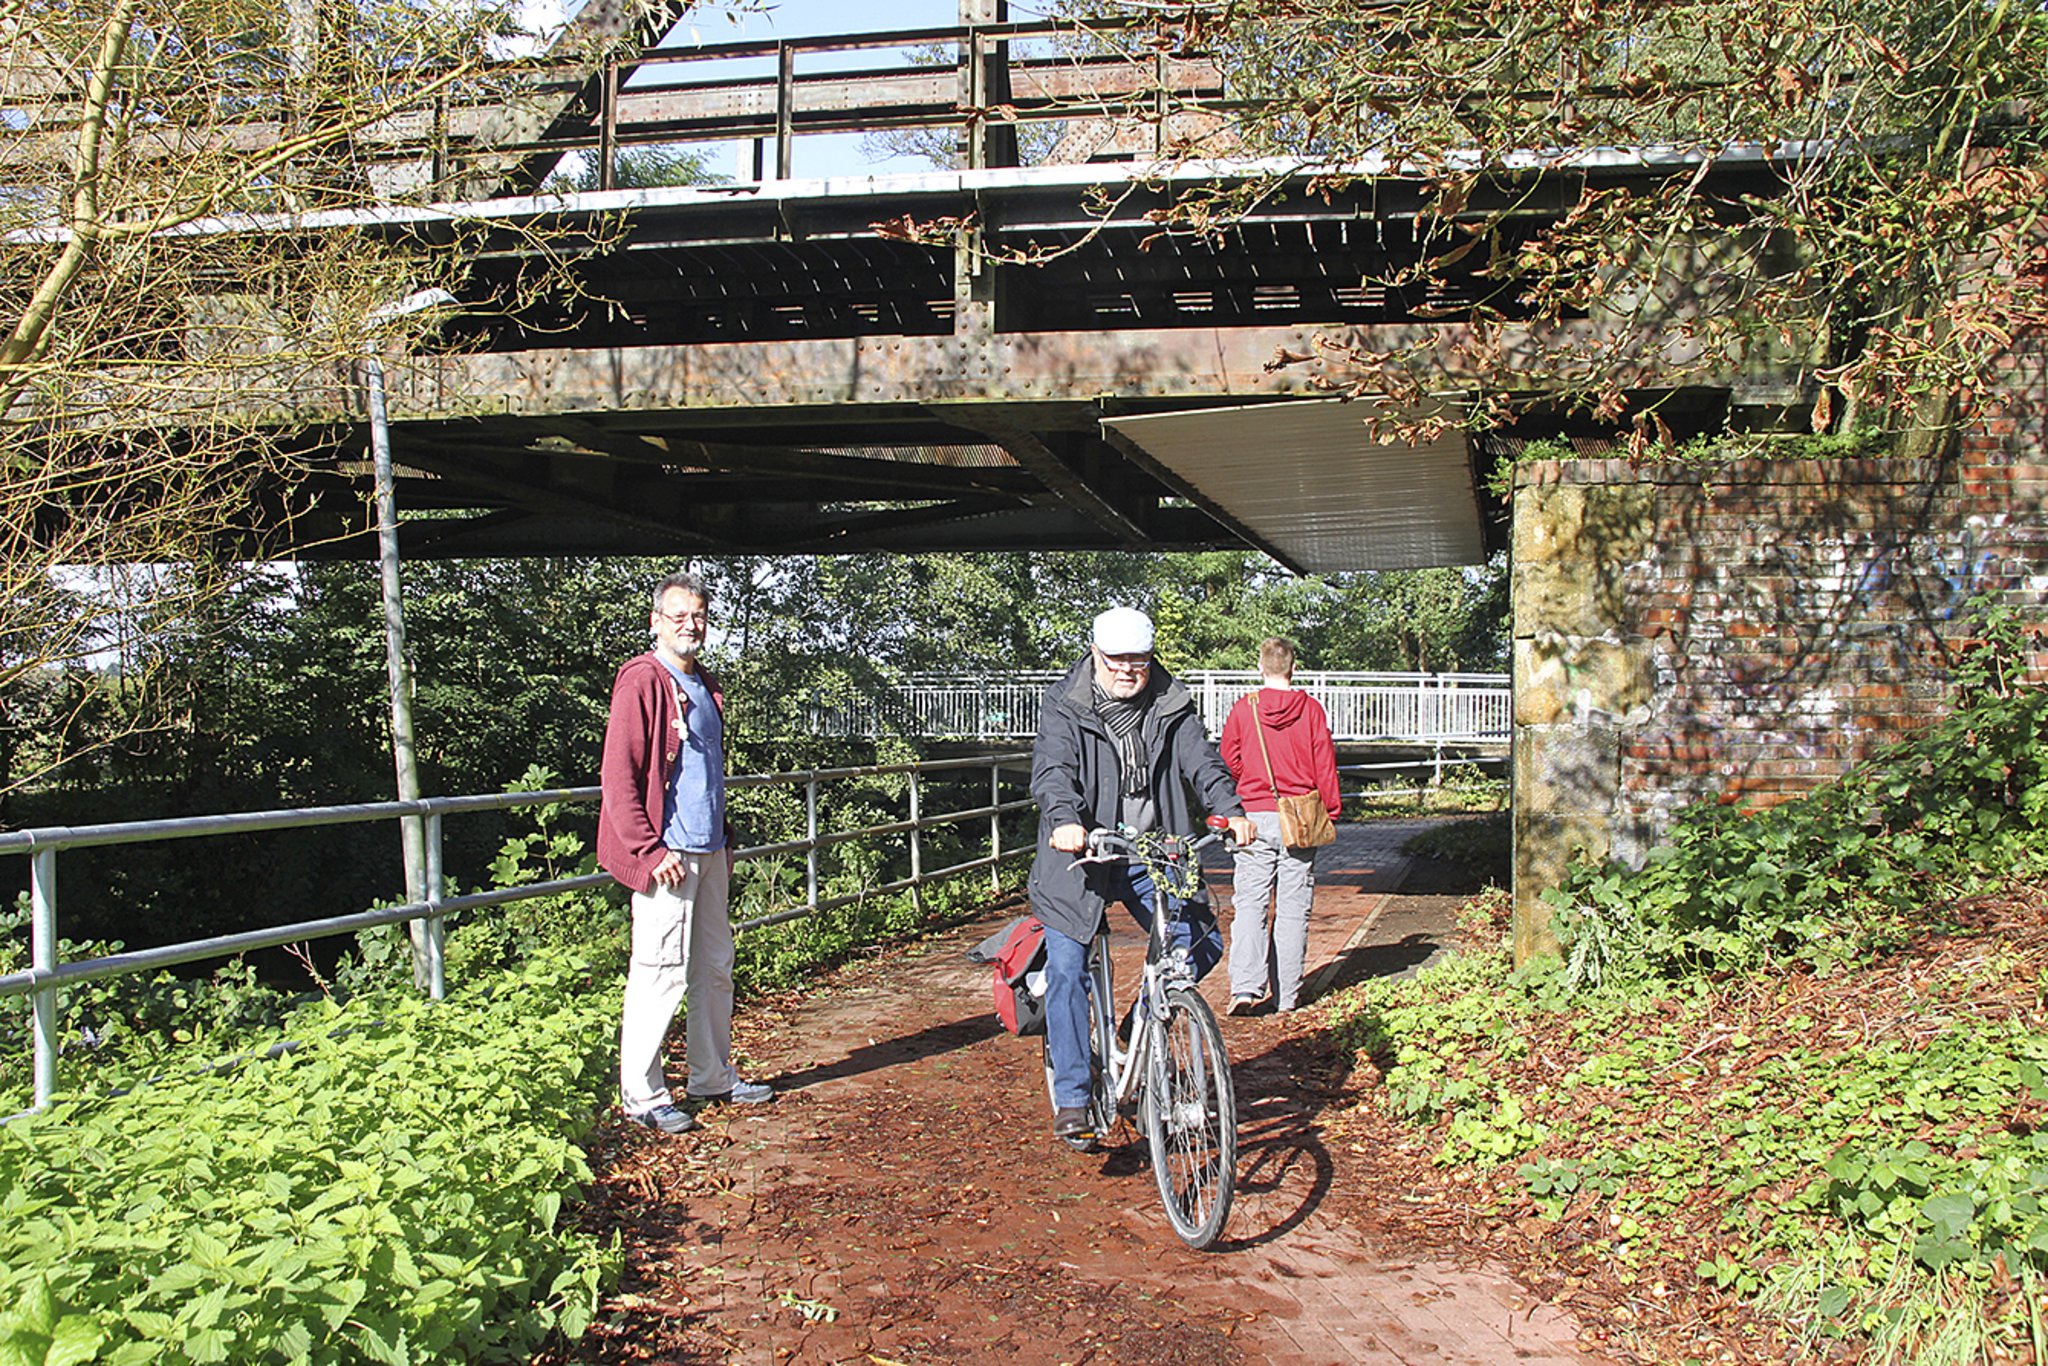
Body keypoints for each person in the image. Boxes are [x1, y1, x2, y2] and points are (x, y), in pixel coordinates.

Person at [1028, 605, 1254, 1142]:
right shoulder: (1065, 704)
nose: (1131, 670)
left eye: (1142, 660)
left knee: (1199, 942)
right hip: (1078, 854)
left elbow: (1204, 761)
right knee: (1065, 969)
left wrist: (1231, 808)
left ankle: (1140, 1024)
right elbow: (1053, 770)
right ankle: (1076, 1097)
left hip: (1153, 851)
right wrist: (1064, 821)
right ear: (1096, 655)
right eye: (1119, 660)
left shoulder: (1171, 704)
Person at [597, 570, 772, 1136]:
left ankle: (713, 1075)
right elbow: (618, 778)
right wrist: (648, 852)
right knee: (659, 972)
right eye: (679, 616)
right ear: (656, 622)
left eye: (698, 615)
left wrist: (721, 843)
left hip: (710, 851)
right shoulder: (641, 681)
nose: (690, 625)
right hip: (667, 855)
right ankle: (642, 1095)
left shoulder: (704, 683)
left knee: (715, 968)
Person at [1218, 636, 1341, 1015]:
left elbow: (1228, 756)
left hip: (1253, 817)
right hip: (1300, 819)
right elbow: (1324, 762)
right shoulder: (1311, 710)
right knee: (1292, 909)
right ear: (1293, 667)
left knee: (1250, 905)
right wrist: (1330, 810)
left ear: (1260, 667)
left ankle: (1244, 990)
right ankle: (1287, 995)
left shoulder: (1244, 708)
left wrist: (1249, 784)